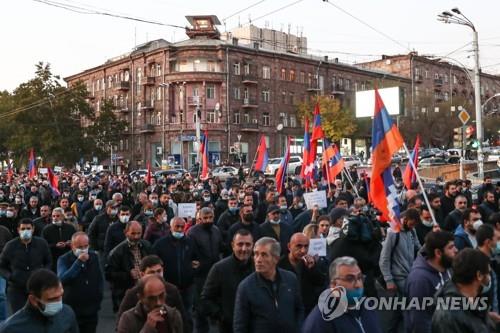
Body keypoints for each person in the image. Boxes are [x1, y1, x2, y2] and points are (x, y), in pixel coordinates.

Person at [233, 237, 304, 333]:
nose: (258, 260)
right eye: (256, 254)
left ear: (276, 258)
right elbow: (240, 326)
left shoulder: (290, 279)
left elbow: (299, 309)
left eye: (264, 255)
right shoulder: (245, 287)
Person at [302, 256, 382, 333]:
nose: (357, 285)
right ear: (334, 285)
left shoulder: (368, 306)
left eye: (359, 278)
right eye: (350, 279)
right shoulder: (320, 321)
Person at [117, 255, 189, 333]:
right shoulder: (131, 300)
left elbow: (184, 324)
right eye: (151, 272)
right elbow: (120, 327)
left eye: (159, 271)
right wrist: (148, 327)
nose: (158, 302)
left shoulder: (173, 312)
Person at [200, 229, 254, 333]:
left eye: (248, 244)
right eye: (240, 244)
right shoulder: (219, 269)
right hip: (229, 328)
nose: (244, 249)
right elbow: (206, 299)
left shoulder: (257, 267)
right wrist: (222, 316)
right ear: (233, 245)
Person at [405, 230, 457, 333]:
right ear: (438, 253)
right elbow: (420, 321)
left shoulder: (446, 267)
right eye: (451, 247)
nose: (456, 250)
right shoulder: (419, 280)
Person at [432, 248, 495, 332]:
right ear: (479, 275)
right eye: (488, 273)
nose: (489, 278)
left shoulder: (473, 303)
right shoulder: (448, 317)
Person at [379, 208, 421, 333]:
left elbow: (419, 249)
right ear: (405, 220)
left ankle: (390, 330)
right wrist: (388, 280)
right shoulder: (393, 233)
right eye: (412, 223)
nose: (413, 226)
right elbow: (384, 258)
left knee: (400, 308)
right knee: (409, 307)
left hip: (410, 274)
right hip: (399, 277)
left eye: (415, 225)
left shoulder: (412, 231)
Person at [153, 217, 199, 328]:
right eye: (176, 227)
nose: (179, 229)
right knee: (168, 315)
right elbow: (154, 261)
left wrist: (196, 264)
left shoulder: (190, 242)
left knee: (187, 315)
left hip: (187, 286)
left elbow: (196, 258)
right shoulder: (160, 244)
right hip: (168, 287)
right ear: (171, 227)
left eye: (182, 227)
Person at [0, 269, 78, 332]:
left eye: (61, 295)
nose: (59, 302)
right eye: (52, 299)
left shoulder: (67, 313)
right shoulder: (11, 329)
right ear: (33, 300)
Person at [0, 218, 52, 313]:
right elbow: (1, 266)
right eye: (23, 229)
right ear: (18, 230)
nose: (25, 231)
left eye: (28, 228)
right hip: (16, 288)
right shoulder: (10, 246)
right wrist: (10, 276)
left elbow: (48, 261)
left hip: (37, 287)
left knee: (38, 315)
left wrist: (43, 274)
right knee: (18, 317)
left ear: (33, 229)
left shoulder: (41, 243)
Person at [57, 232, 103, 333]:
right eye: (80, 247)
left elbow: (100, 279)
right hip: (73, 309)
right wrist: (78, 262)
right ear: (72, 246)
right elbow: (63, 279)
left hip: (91, 310)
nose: (83, 249)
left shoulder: (94, 257)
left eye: (86, 246)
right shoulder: (64, 260)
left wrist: (98, 299)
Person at [186, 207, 223, 333]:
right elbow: (189, 254)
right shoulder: (192, 232)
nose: (208, 220)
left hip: (216, 273)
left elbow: (220, 248)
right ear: (199, 219)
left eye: (210, 217)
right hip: (200, 276)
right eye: (205, 218)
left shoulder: (216, 230)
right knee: (200, 308)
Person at [105, 221, 153, 312]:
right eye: (133, 233)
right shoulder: (116, 252)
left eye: (139, 233)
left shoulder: (147, 246)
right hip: (126, 294)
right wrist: (128, 274)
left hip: (146, 291)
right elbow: (109, 274)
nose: (136, 237)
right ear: (126, 232)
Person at [117, 274, 183, 333]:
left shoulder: (174, 316)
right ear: (141, 298)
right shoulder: (128, 319)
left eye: (161, 295)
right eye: (152, 298)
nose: (158, 303)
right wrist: (148, 328)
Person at [278, 232, 325, 314]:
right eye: (299, 246)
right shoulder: (280, 265)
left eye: (306, 246)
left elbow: (320, 282)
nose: (303, 250)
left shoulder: (309, 263)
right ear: (289, 246)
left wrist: (313, 268)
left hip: (307, 310)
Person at [476, 224, 500, 322]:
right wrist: (487, 314)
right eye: (497, 239)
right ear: (488, 242)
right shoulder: (476, 264)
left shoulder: (492, 259)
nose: (498, 242)